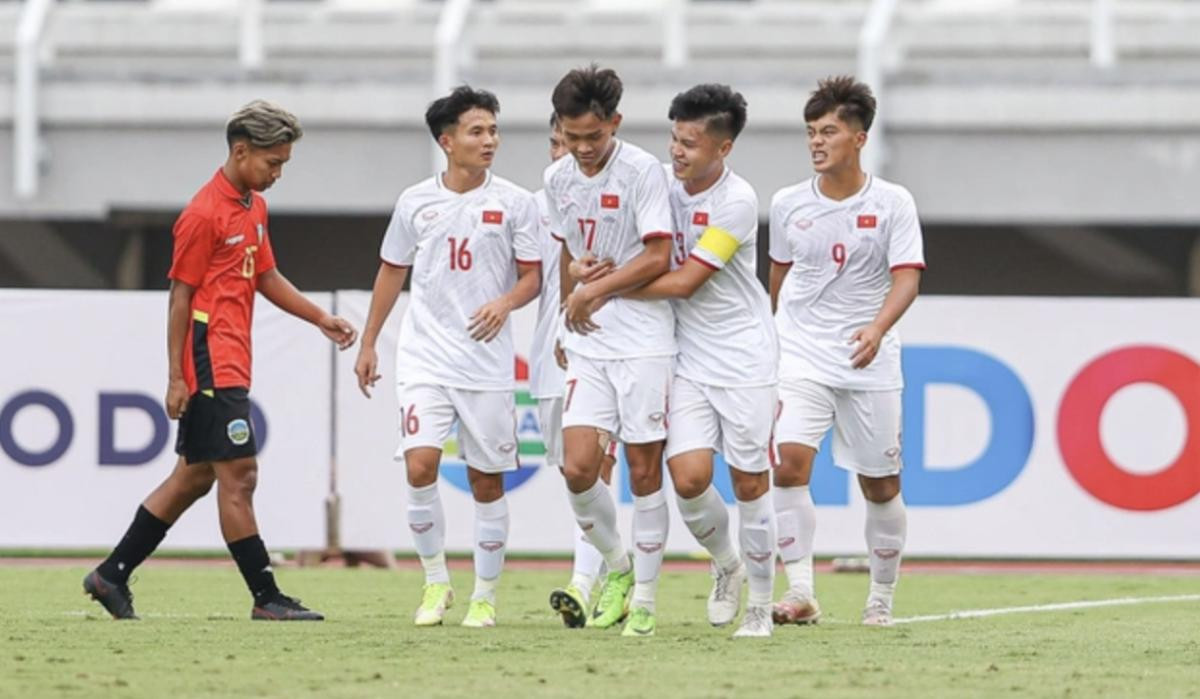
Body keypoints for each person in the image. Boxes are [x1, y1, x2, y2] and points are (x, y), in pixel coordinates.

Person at [83, 100, 358, 621]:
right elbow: (179, 298)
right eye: (272, 163)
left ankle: (110, 575)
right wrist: (175, 377)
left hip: (233, 357)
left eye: (283, 164)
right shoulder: (202, 214)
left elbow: (266, 277)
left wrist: (319, 318)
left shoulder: (253, 206)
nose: (277, 174)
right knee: (241, 475)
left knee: (193, 478)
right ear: (240, 150)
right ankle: (266, 597)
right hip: (209, 361)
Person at [353, 86, 541, 629]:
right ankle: (436, 583)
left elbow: (532, 276)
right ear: (447, 140)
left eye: (493, 130)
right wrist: (369, 341)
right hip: (425, 357)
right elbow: (392, 270)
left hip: (484, 363)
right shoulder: (416, 202)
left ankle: (484, 595)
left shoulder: (515, 202)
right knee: (420, 465)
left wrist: (505, 303)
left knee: (487, 481)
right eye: (477, 131)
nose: (489, 141)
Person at [603, 84, 778, 638]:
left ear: (722, 148)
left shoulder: (737, 201)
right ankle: (728, 565)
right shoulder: (656, 182)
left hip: (744, 355)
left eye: (691, 143)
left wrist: (605, 290)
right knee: (688, 476)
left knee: (751, 483)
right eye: (674, 139)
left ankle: (761, 607)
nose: (678, 152)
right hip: (685, 357)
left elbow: (684, 282)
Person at [768, 76, 925, 627]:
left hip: (868, 358)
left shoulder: (892, 203)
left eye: (828, 131)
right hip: (800, 353)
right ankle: (802, 592)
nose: (816, 142)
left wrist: (878, 328)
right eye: (811, 132)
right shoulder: (788, 203)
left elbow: (907, 277)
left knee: (880, 484)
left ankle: (880, 598)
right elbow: (779, 277)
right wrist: (773, 335)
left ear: (858, 138)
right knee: (788, 465)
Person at [544, 64, 675, 637]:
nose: (582, 149)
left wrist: (592, 288)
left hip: (644, 337)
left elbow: (658, 256)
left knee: (644, 472)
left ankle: (644, 597)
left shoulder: (645, 171)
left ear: (614, 123)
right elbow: (570, 255)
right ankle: (618, 570)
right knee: (576, 469)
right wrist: (572, 289)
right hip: (590, 340)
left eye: (593, 137)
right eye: (571, 138)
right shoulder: (557, 180)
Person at [531, 114, 620, 629]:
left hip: (605, 352)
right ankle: (614, 571)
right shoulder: (534, 206)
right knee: (574, 472)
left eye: (574, 143)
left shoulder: (617, 202)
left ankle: (585, 583)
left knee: (597, 467)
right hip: (551, 355)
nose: (563, 153)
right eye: (556, 143)